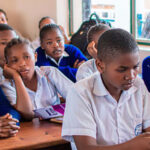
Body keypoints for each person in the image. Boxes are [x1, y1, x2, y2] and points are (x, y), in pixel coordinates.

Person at [62, 28, 150, 150]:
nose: (131, 75)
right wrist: (133, 146)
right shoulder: (80, 93)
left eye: (135, 67)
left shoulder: (137, 85)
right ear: (100, 65)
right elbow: (86, 148)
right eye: (122, 69)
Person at [1, 38, 73, 120]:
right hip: (30, 131)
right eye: (14, 60)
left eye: (27, 57)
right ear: (7, 64)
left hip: (57, 127)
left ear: (35, 57)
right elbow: (27, 114)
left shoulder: (49, 73)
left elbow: (76, 96)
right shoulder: (7, 86)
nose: (22, 64)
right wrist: (16, 77)